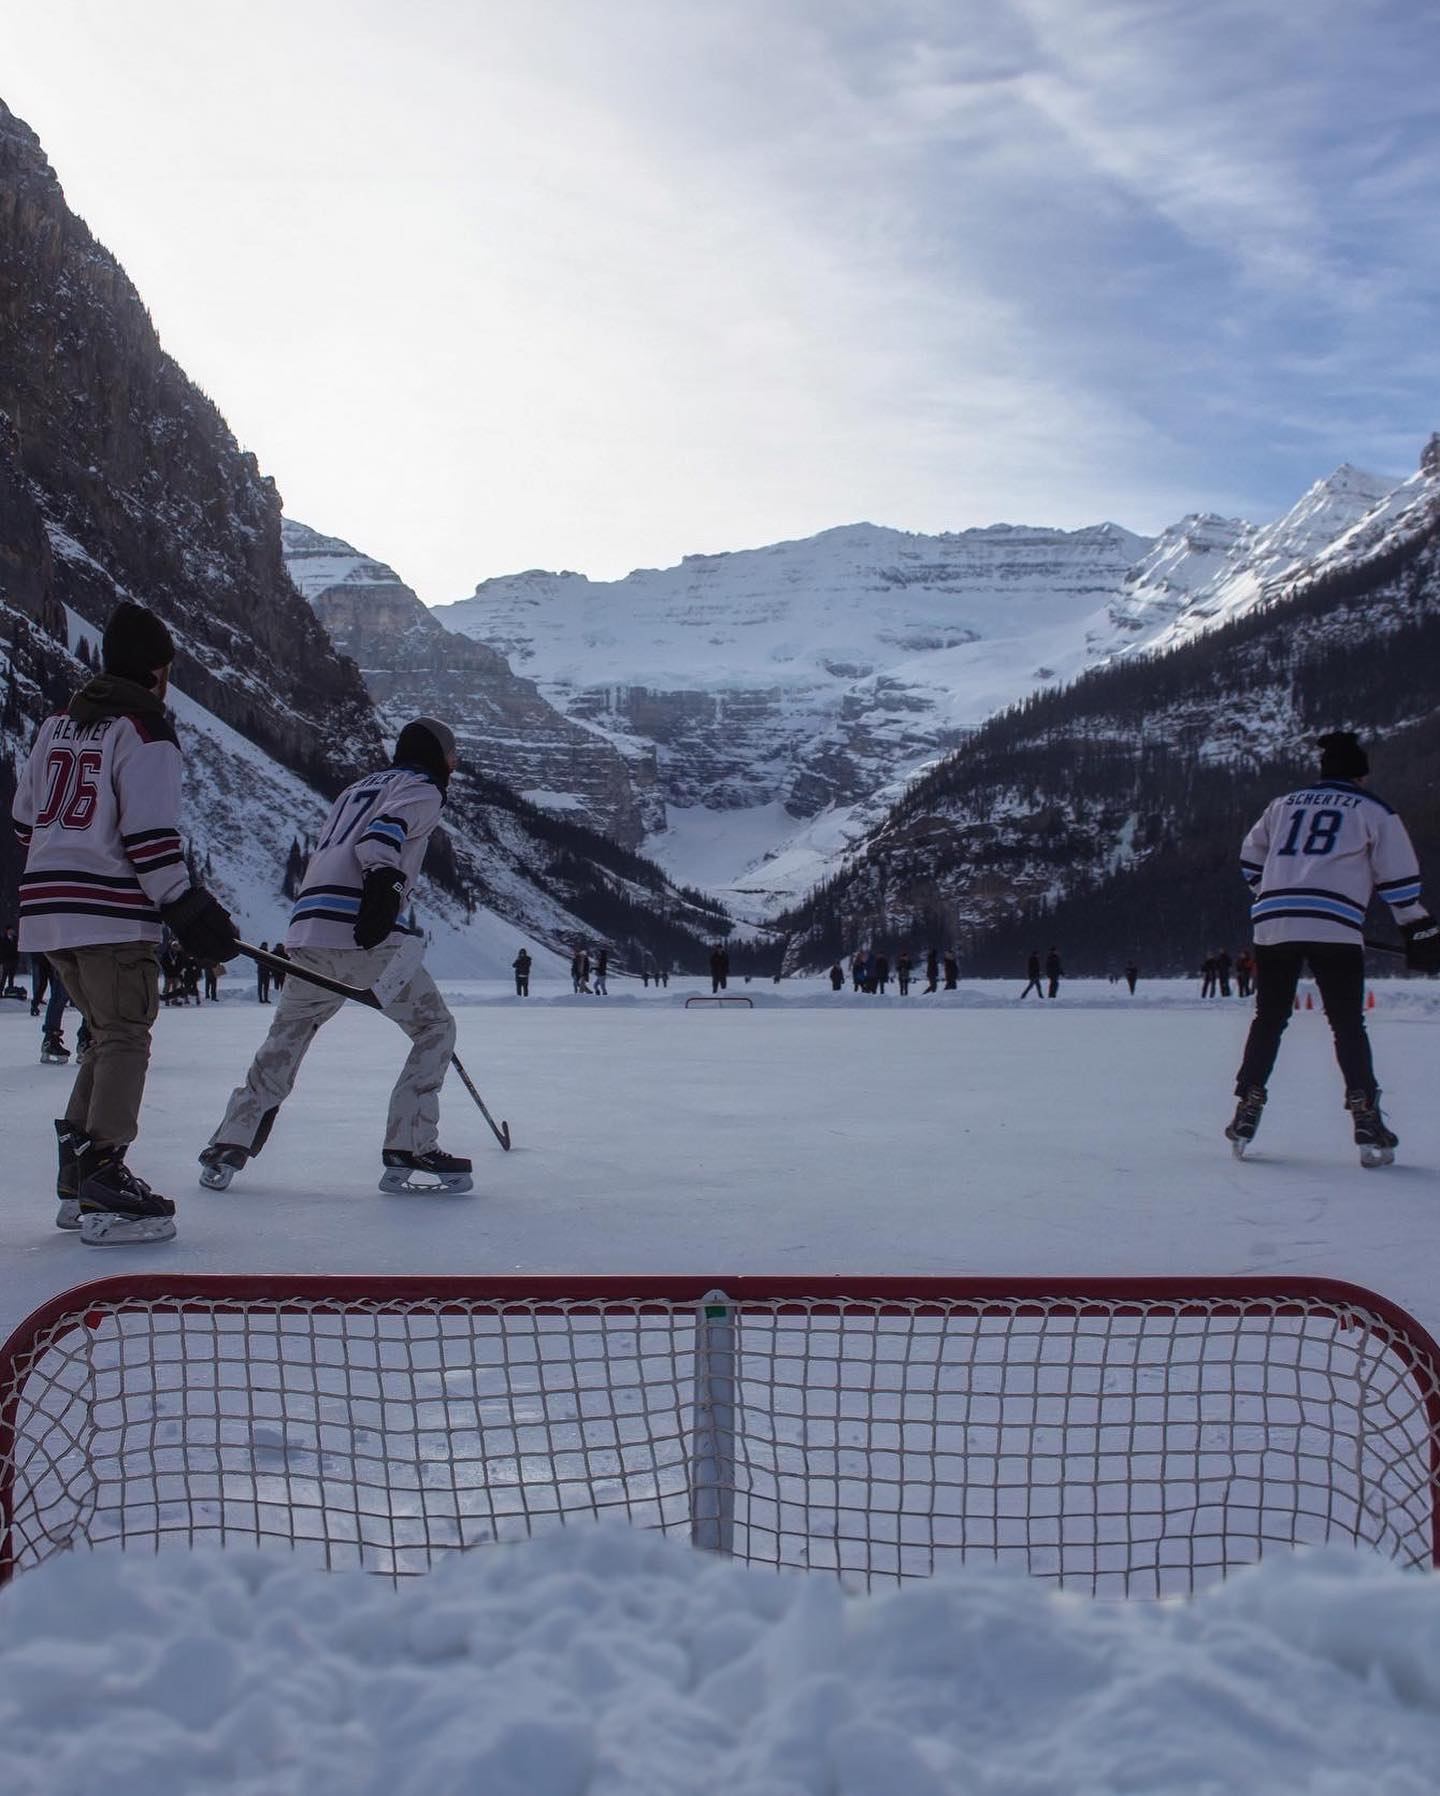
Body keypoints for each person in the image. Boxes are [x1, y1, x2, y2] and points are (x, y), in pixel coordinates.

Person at [11, 601, 239, 1243]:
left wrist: (64, 857)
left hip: (48, 912)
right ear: (159, 671)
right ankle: (105, 1173)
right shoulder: (144, 732)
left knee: (107, 1033)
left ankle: (77, 1177)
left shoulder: (58, 723)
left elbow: (25, 819)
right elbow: (149, 837)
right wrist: (187, 906)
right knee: (127, 1035)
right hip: (108, 914)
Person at [199, 718, 470, 1196]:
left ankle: (230, 1141)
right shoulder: (423, 788)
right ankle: (411, 1145)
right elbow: (380, 838)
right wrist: (384, 889)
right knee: (434, 1027)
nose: (455, 763)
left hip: (308, 931)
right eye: (452, 754)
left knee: (287, 1036)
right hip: (360, 933)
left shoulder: (356, 789)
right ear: (435, 755)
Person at [1225, 731, 1440, 1164]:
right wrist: (1418, 930)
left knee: (1269, 1019)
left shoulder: (1282, 805)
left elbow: (1251, 859)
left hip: (1274, 923)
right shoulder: (1374, 809)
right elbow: (1398, 882)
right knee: (1346, 1023)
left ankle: (1247, 1104)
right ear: (1360, 776)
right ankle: (1365, 1112)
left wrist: (1273, 896)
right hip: (1335, 926)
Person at [0, 922, 18, 994]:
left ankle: (10, 991)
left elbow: (17, 949)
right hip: (6, 960)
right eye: (10, 930)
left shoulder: (15, 938)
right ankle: (0, 991)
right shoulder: (3, 939)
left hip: (14, 960)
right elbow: (2, 950)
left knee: (11, 977)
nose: (11, 931)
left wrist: (17, 958)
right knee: (3, 977)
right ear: (7, 931)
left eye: (12, 930)